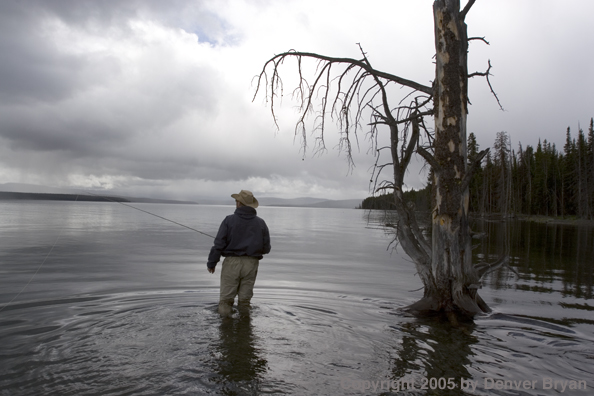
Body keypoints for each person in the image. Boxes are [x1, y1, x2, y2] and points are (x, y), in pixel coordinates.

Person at [207, 190, 271, 317]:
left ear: (239, 203)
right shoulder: (261, 222)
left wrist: (212, 263)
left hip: (232, 263)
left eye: (236, 201)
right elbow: (266, 249)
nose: (236, 203)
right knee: (245, 302)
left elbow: (218, 245)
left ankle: (225, 332)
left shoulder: (228, 220)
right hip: (252, 264)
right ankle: (245, 331)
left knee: (226, 301)